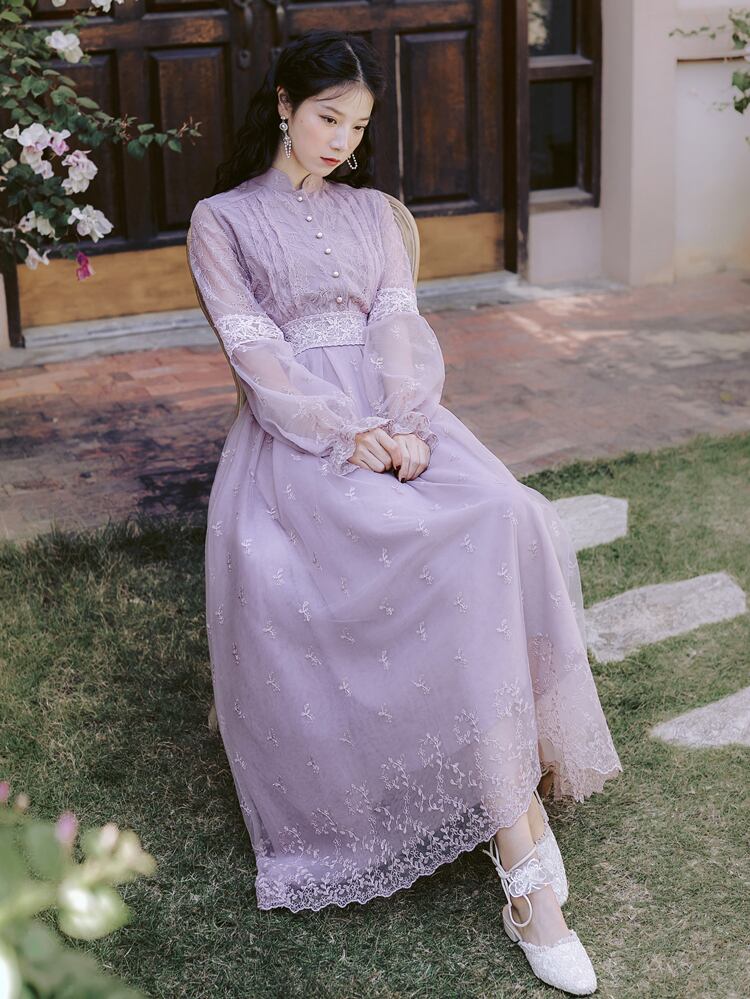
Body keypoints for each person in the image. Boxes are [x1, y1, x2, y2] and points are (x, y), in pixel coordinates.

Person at [187, 28, 623, 995]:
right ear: (284, 106)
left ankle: (510, 794)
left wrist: (407, 422)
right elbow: (257, 358)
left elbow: (398, 326)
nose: (342, 140)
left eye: (358, 126)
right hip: (299, 442)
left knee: (505, 510)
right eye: (327, 118)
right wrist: (348, 434)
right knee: (437, 539)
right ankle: (526, 870)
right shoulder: (221, 220)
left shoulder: (375, 213)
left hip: (404, 419)